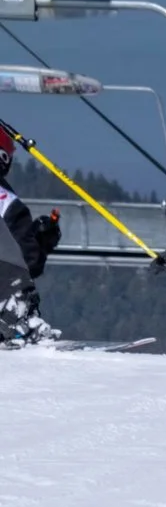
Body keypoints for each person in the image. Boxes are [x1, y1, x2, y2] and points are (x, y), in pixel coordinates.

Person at [0, 121, 64, 345]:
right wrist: (42, 242)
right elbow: (28, 258)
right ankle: (22, 325)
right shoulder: (4, 200)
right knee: (16, 277)